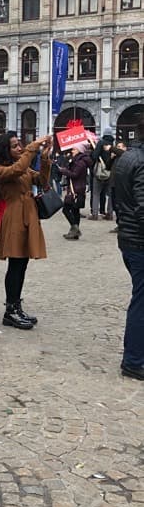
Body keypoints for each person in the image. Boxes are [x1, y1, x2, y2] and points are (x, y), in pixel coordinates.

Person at [0, 131, 52, 329]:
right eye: (15, 146)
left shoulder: (22, 167)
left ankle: (16, 307)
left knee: (21, 265)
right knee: (15, 265)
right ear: (4, 149)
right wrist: (33, 147)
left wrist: (46, 158)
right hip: (14, 218)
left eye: (20, 144)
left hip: (28, 217)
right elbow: (18, 169)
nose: (20, 148)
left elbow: (41, 180)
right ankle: (10, 311)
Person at [112, 115, 144, 380]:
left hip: (129, 237)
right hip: (139, 240)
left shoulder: (127, 158)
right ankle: (134, 360)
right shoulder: (141, 162)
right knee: (142, 300)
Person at [59, 142, 93, 240]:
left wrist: (63, 171)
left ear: (79, 150)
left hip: (76, 189)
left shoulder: (80, 162)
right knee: (75, 211)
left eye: (74, 149)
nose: (72, 151)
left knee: (66, 209)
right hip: (77, 188)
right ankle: (74, 233)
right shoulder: (77, 160)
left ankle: (75, 228)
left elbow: (74, 175)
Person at [90, 132, 116, 220]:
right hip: (110, 172)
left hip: (99, 172)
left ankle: (95, 214)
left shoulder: (100, 143)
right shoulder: (113, 144)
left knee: (96, 193)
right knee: (110, 194)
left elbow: (94, 156)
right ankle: (109, 213)